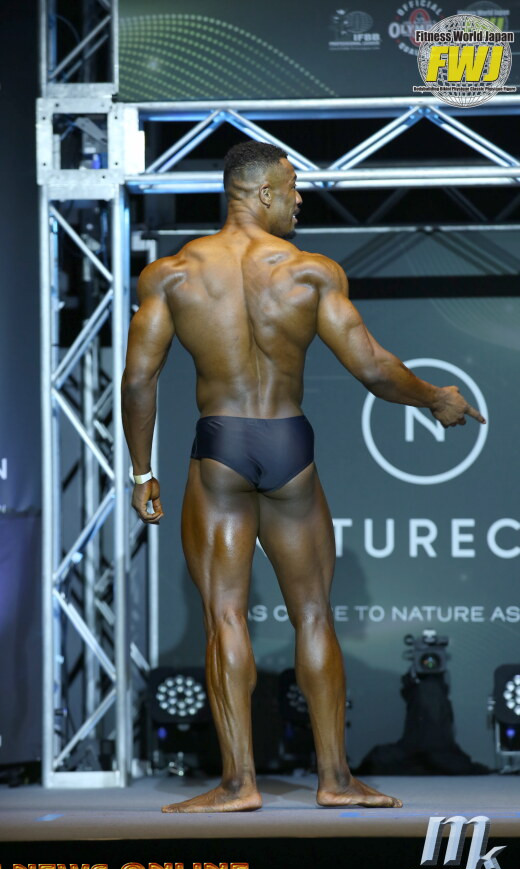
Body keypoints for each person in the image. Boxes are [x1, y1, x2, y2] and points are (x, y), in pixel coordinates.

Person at [121, 140, 485, 813]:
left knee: (224, 616)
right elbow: (372, 368)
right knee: (314, 613)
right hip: (289, 442)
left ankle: (239, 785)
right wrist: (436, 397)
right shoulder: (311, 272)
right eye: (292, 188)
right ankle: (336, 780)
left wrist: (143, 471)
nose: (300, 201)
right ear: (260, 192)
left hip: (222, 444)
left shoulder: (171, 275)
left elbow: (140, 379)